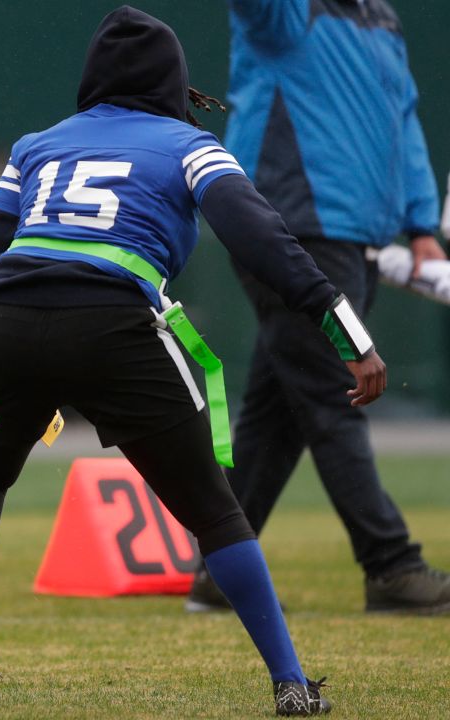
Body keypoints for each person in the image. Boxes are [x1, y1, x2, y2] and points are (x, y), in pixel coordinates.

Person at [0, 6, 383, 714]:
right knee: (215, 512)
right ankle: (290, 682)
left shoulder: (38, 145)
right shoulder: (188, 145)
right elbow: (265, 239)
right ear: (174, 83)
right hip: (111, 324)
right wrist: (347, 332)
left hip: (6, 320)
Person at [187, 0, 450, 616]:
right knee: (337, 394)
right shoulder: (287, 12)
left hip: (351, 236)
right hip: (288, 233)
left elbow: (402, 117)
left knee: (278, 412)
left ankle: (218, 569)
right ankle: (391, 565)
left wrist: (419, 224)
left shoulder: (382, 17)